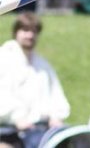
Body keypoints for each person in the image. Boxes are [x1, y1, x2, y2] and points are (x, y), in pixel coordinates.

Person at [0, 13, 70, 148]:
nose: (30, 36)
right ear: (16, 32)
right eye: (25, 30)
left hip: (39, 131)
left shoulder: (43, 65)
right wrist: (16, 118)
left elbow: (55, 95)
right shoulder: (4, 58)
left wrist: (55, 116)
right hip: (7, 130)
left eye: (34, 31)